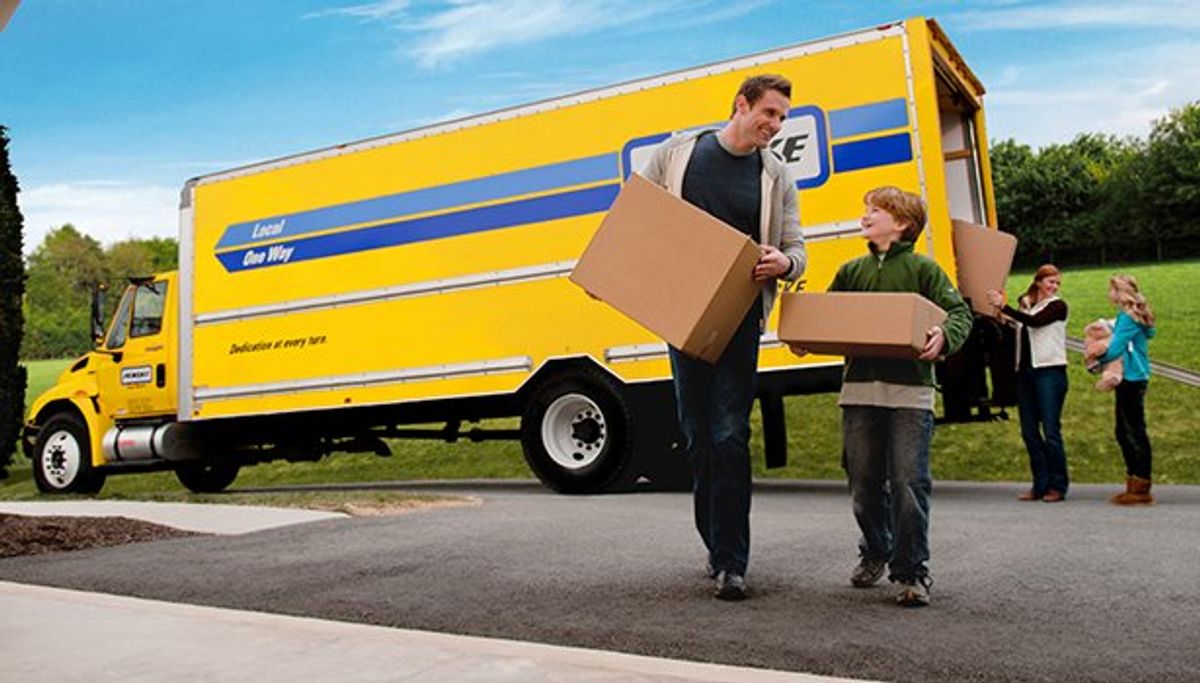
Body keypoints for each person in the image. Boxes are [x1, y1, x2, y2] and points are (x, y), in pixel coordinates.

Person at [642, 74, 807, 600]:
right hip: (683, 315)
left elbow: (796, 249)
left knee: (730, 434)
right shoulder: (678, 154)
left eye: (782, 118)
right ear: (741, 105)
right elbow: (636, 217)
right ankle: (714, 544)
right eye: (770, 113)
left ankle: (734, 561)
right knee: (696, 434)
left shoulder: (775, 174)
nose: (776, 125)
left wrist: (784, 262)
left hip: (740, 320)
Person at [796, 186, 970, 608]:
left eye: (875, 210)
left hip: (911, 395)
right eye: (865, 209)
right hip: (859, 393)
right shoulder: (851, 271)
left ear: (902, 223)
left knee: (909, 483)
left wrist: (944, 336)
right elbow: (826, 317)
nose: (865, 216)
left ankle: (911, 572)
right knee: (863, 484)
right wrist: (804, 335)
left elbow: (960, 313)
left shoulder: (923, 271)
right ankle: (877, 549)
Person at [986, 265, 1070, 502]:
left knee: (1051, 431)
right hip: (1025, 374)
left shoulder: (1057, 306)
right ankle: (1040, 484)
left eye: (1056, 283)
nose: (1054, 287)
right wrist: (1002, 313)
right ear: (1039, 282)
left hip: (1049, 372)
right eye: (1050, 282)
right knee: (1029, 432)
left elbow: (1034, 322)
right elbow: (1019, 327)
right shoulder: (1026, 307)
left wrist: (1006, 307)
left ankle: (1058, 485)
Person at [1091, 274, 1157, 505]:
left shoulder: (1127, 318)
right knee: (1124, 430)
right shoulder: (1132, 316)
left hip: (1130, 378)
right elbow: (1149, 333)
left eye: (1111, 289)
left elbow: (1116, 348)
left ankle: (1140, 487)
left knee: (1133, 431)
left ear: (1119, 293)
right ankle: (1134, 482)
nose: (1108, 294)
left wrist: (1093, 357)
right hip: (1134, 377)